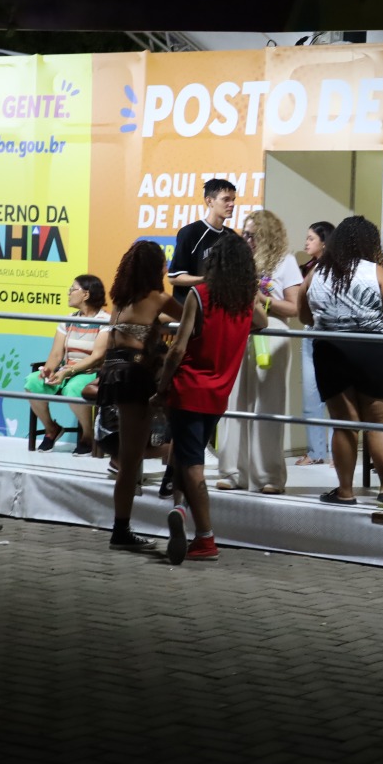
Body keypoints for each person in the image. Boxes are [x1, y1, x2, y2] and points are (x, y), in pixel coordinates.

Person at [157, 233, 267, 564]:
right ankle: (178, 507)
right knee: (184, 452)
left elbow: (177, 347)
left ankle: (205, 538)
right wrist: (254, 295)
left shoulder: (199, 294)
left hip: (188, 387)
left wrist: (161, 387)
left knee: (192, 465)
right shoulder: (244, 301)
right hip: (219, 392)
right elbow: (261, 321)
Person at [295, 215, 383, 507]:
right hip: (372, 349)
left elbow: (304, 316)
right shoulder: (375, 271)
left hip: (329, 350)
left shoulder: (317, 272)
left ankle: (345, 491)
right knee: (379, 423)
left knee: (344, 423)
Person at [94, 241, 181, 551]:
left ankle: (122, 528)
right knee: (130, 461)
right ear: (156, 268)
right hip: (134, 376)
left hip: (112, 375)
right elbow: (191, 319)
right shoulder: (159, 298)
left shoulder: (120, 300)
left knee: (128, 457)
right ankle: (121, 531)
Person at [215, 210, 303, 494]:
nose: (247, 239)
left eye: (252, 234)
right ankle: (230, 472)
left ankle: (268, 477)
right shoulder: (240, 261)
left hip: (272, 333)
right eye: (245, 233)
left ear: (267, 235)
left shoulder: (286, 262)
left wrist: (263, 301)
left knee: (267, 405)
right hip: (238, 331)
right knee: (233, 403)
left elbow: (295, 308)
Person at [24, 275, 110, 454]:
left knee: (73, 389)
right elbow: (56, 354)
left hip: (91, 372)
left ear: (86, 294)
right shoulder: (68, 319)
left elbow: (97, 356)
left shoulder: (105, 320)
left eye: (73, 289)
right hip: (66, 370)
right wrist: (48, 370)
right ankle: (51, 429)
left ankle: (87, 435)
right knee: (32, 382)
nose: (69, 293)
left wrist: (67, 372)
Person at [295, 221, 333, 467]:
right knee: (311, 395)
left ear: (325, 242)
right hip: (310, 332)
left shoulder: (337, 268)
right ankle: (316, 451)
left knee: (336, 396)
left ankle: (337, 451)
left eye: (311, 238)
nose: (306, 243)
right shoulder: (306, 268)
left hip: (331, 334)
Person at [168, 177, 237, 302]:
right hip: (189, 308)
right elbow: (174, 277)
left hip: (219, 308)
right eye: (226, 199)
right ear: (209, 201)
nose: (231, 204)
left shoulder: (232, 236)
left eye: (233, 200)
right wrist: (205, 280)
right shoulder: (190, 232)